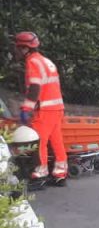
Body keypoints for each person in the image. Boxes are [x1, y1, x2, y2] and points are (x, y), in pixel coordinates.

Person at [13, 31, 67, 183]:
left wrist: (26, 109)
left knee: (39, 141)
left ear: (25, 48)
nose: (16, 51)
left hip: (45, 109)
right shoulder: (46, 61)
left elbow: (35, 88)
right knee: (56, 141)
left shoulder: (32, 62)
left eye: (18, 48)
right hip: (56, 108)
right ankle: (60, 173)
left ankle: (40, 173)